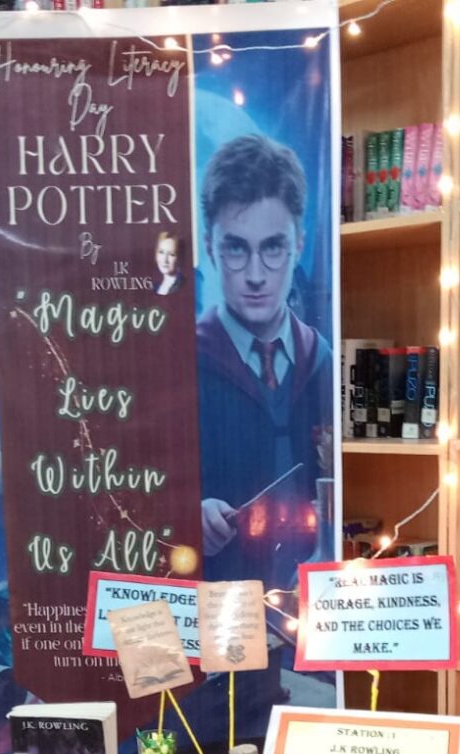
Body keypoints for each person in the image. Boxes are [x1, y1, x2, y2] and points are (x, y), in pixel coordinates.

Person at [196, 133, 333, 590]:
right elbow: (144, 495)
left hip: (313, 606)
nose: (256, 275)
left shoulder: (323, 364)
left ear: (299, 244)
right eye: (236, 248)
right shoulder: (183, 366)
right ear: (210, 246)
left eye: (273, 247)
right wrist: (187, 514)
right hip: (220, 603)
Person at [154, 230, 181, 296]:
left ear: (178, 258)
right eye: (161, 252)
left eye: (171, 254)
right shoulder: (155, 287)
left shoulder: (180, 286)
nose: (165, 260)